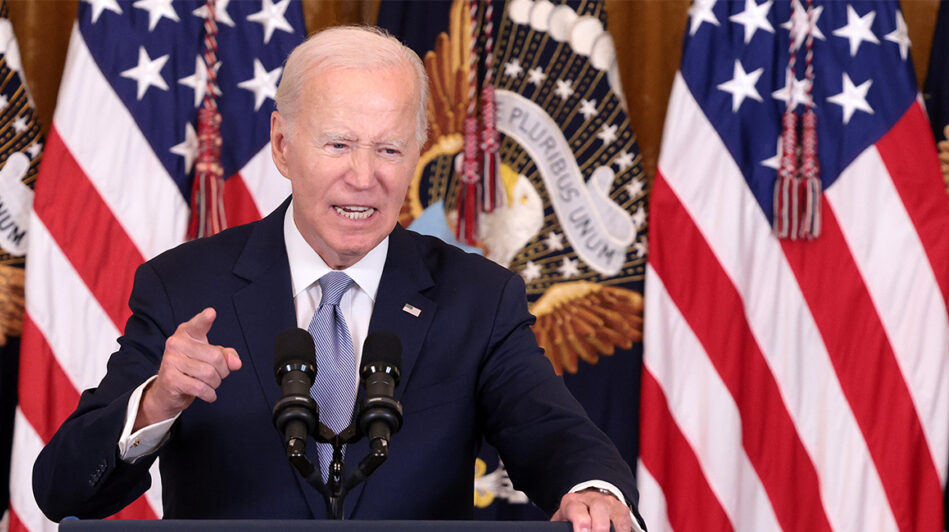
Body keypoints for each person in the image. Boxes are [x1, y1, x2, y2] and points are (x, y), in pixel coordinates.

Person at [33, 26, 644, 532]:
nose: (363, 177)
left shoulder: (477, 297)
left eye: (388, 149)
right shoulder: (185, 288)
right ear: (281, 144)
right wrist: (157, 403)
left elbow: (550, 428)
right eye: (338, 144)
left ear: (418, 151)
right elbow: (63, 490)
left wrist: (593, 490)